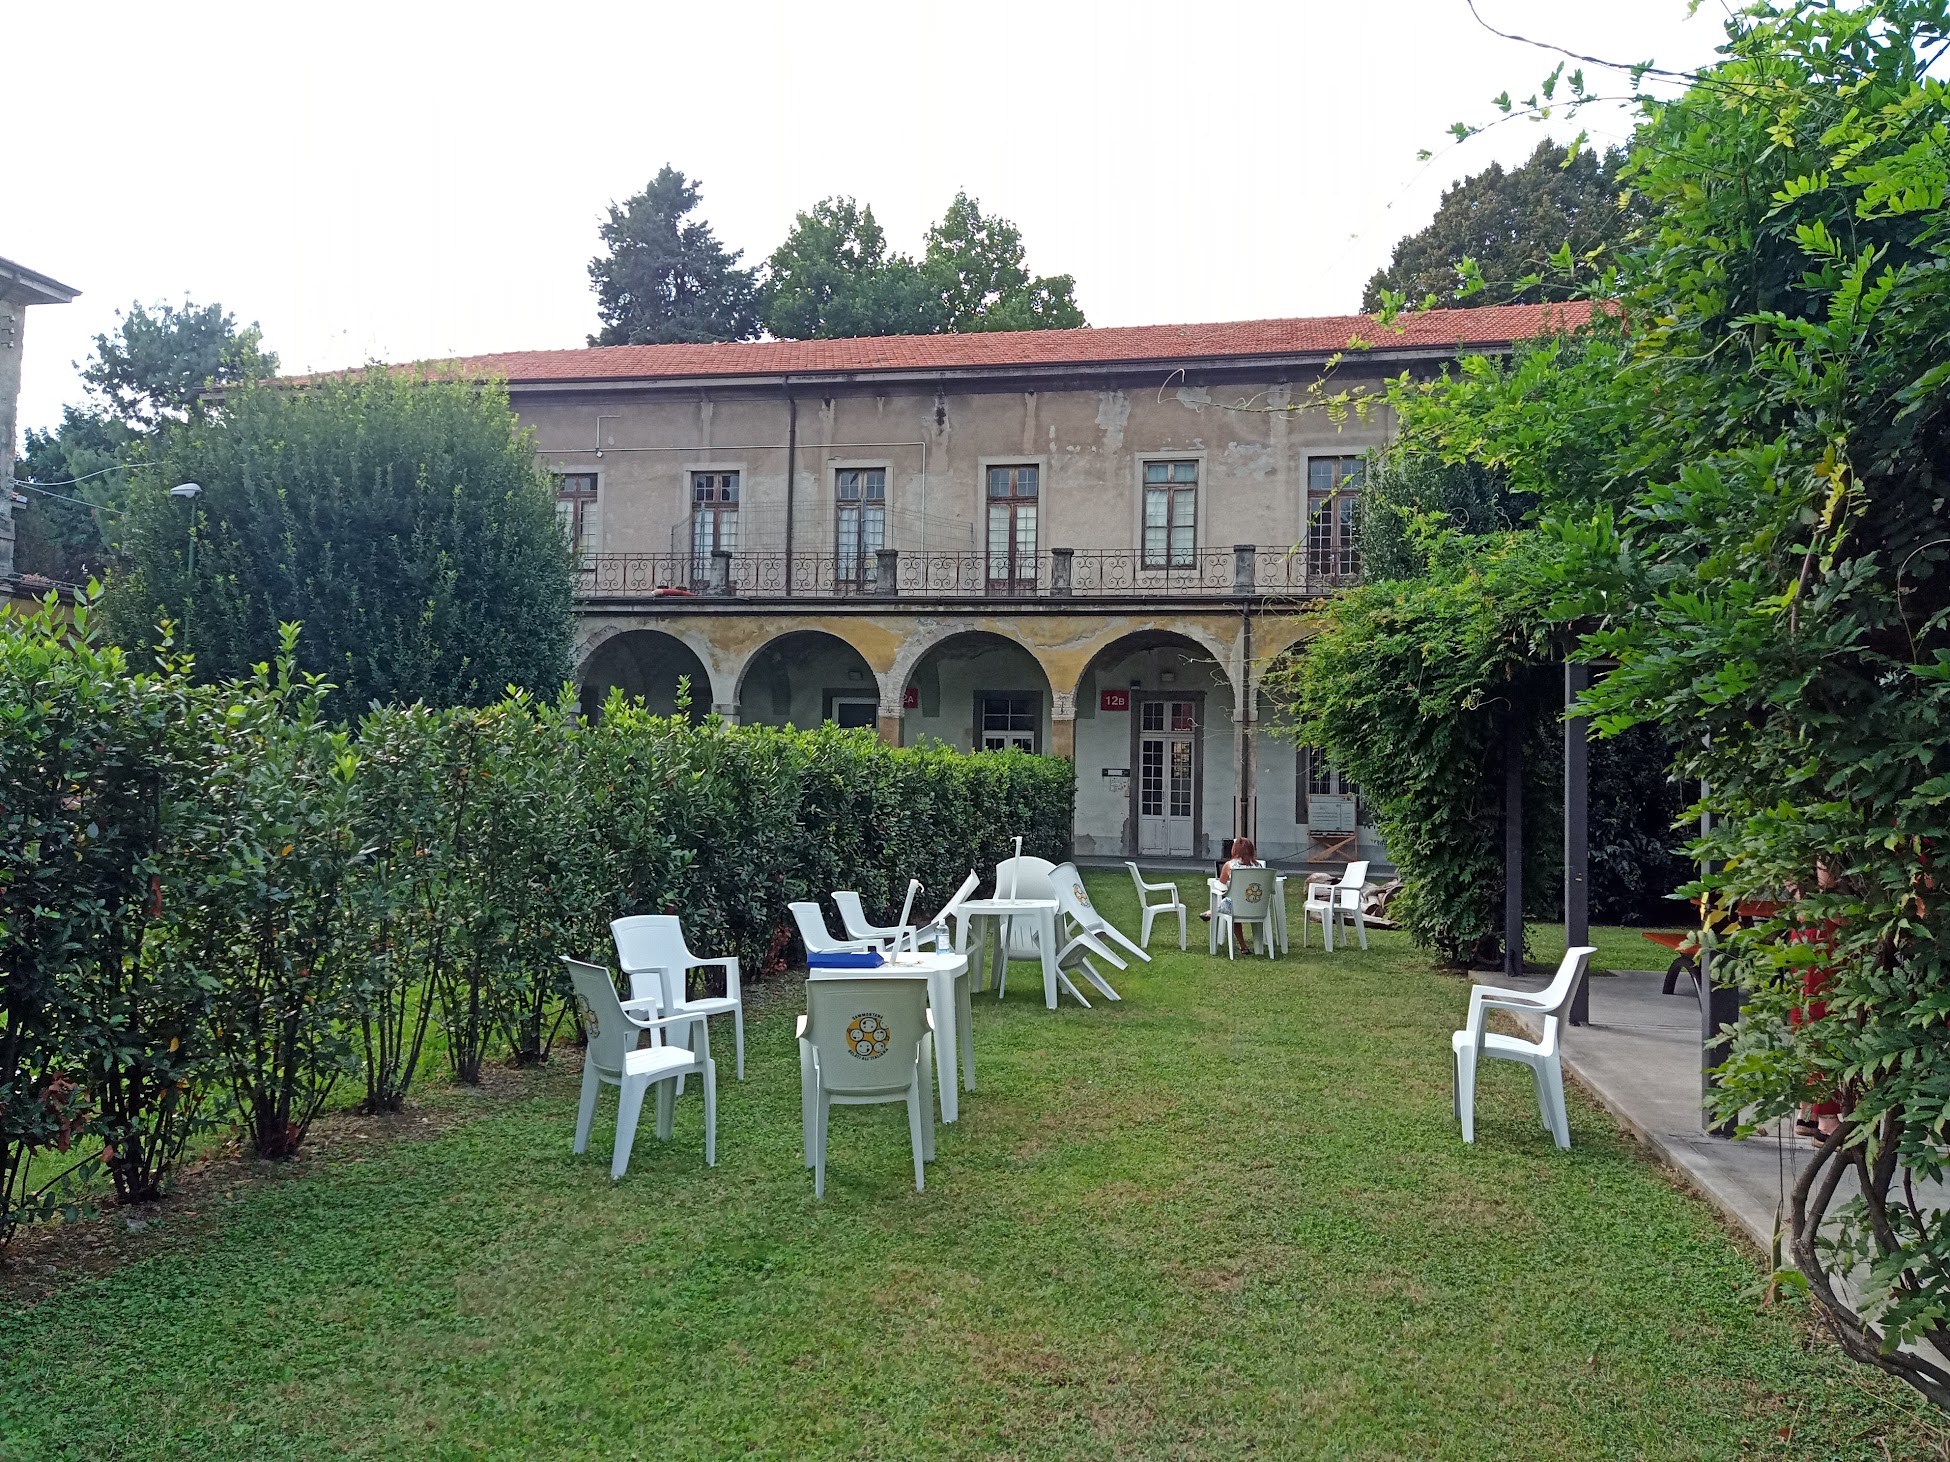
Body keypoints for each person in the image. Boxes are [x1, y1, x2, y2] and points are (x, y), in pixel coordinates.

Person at [1202, 836, 1266, 951]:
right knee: (1235, 900)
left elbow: (1221, 885)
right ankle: (1212, 911)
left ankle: (1243, 945)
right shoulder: (1258, 866)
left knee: (1231, 902)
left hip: (1237, 907)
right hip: (1256, 906)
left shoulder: (1230, 865)